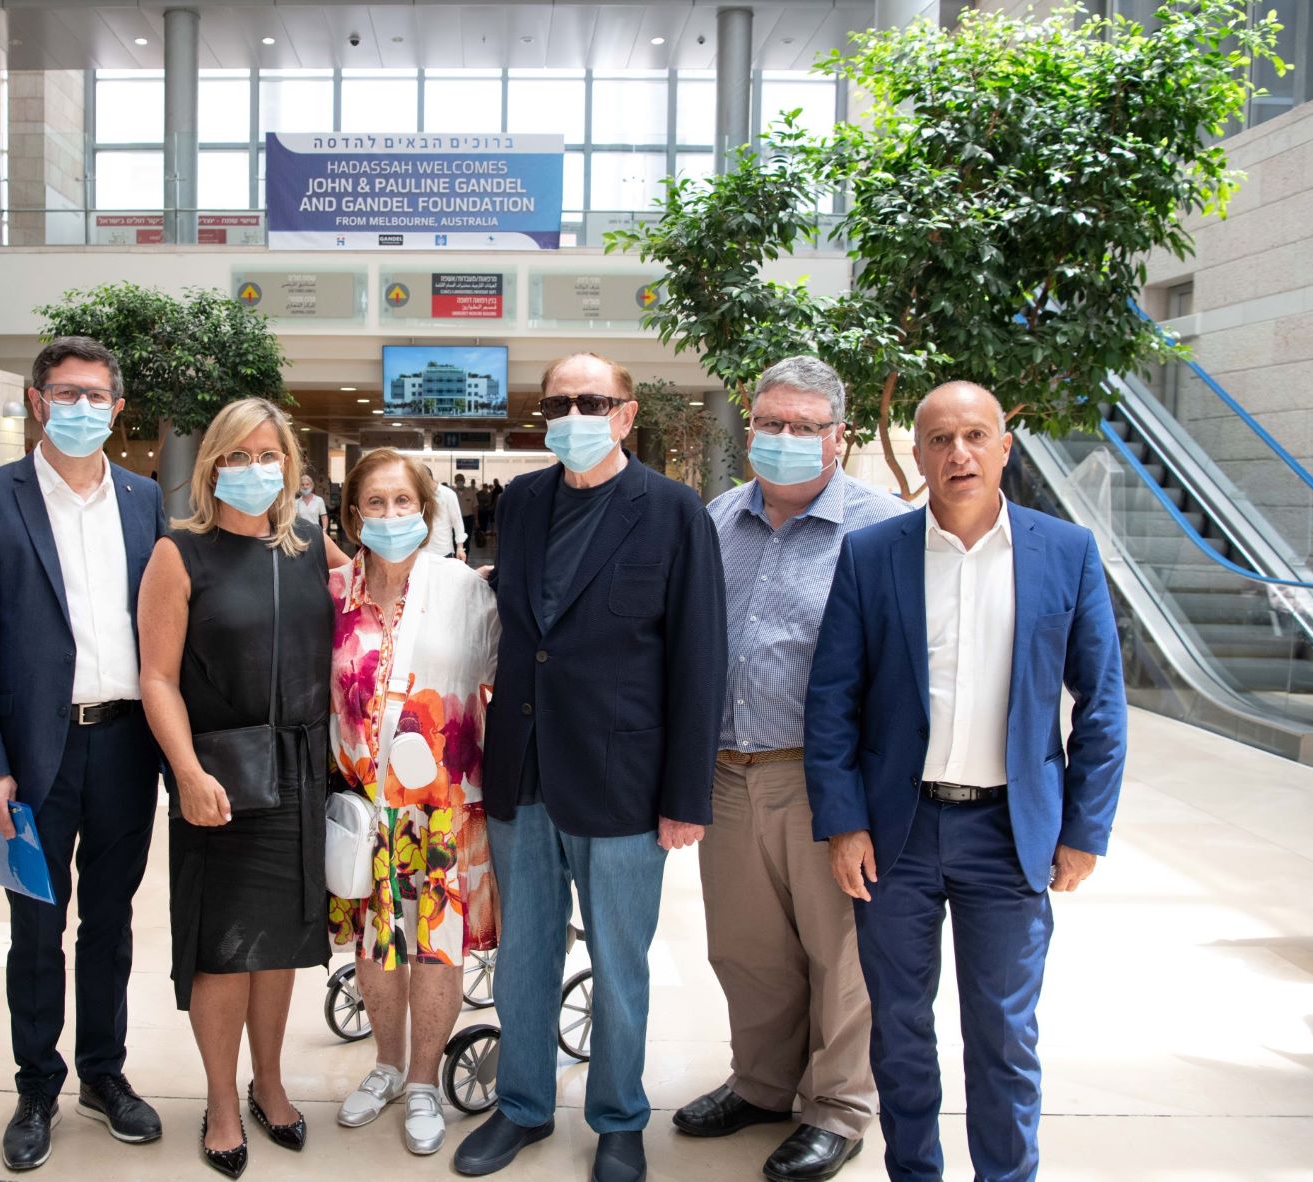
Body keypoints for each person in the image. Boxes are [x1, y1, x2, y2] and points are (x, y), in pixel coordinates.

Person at [804, 381, 1128, 1182]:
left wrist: (1083, 830)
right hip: (897, 835)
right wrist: (843, 822)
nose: (959, 453)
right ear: (915, 455)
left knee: (1003, 1034)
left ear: (1003, 447)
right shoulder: (872, 555)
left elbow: (1100, 704)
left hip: (1009, 835)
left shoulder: (1064, 552)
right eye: (940, 439)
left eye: (976, 435)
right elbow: (832, 700)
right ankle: (914, 1171)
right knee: (899, 1030)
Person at [452, 352, 727, 1182]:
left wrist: (685, 796)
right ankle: (522, 1105)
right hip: (523, 770)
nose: (572, 416)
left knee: (618, 963)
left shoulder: (673, 512)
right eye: (557, 404)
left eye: (591, 402)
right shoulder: (523, 502)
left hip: (622, 780)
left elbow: (698, 660)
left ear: (625, 414)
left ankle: (617, 1117)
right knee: (523, 958)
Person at [678, 357, 907, 1182]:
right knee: (747, 949)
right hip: (726, 771)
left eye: (803, 427)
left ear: (837, 437)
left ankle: (837, 1108)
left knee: (840, 956)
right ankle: (762, 1084)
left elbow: (902, 674)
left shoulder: (883, 530)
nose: (783, 438)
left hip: (825, 780)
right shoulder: (715, 521)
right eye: (770, 423)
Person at [0, 337, 169, 1171]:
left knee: (110, 922)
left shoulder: (143, 499)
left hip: (125, 745)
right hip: (31, 755)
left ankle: (103, 1074)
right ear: (38, 401)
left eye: (97, 395)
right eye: (67, 393)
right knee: (36, 928)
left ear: (118, 407)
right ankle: (37, 1083)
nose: (82, 408)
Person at [137, 397, 345, 1178]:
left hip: (301, 772)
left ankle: (271, 1083)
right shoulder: (179, 553)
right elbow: (156, 677)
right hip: (220, 776)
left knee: (279, 944)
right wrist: (186, 773)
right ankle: (222, 1101)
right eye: (237, 456)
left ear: (289, 466)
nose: (253, 469)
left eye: (268, 456)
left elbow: (383, 596)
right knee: (223, 950)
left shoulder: (310, 545)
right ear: (212, 465)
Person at [327, 449, 501, 1158]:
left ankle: (424, 1080)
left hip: (444, 803)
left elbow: (499, 681)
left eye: (403, 502)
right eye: (376, 503)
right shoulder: (335, 594)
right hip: (364, 803)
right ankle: (386, 1066)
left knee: (435, 942)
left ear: (426, 511)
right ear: (353, 515)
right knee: (378, 941)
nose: (391, 515)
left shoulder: (463, 589)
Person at [423, 465, 468, 561]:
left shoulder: (448, 494)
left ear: (428, 478)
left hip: (443, 551)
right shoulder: (418, 495)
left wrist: (460, 548)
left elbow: (457, 521)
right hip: (422, 552)